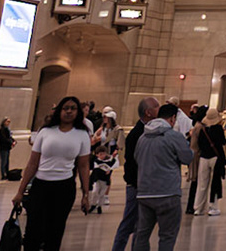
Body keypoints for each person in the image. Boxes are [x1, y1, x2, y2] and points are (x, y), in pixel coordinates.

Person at [15, 94, 93, 251]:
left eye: (73, 108)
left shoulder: (82, 134)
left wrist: (86, 194)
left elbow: (83, 166)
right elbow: (32, 163)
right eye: (65, 108)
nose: (69, 112)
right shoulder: (46, 132)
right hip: (40, 185)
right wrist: (20, 191)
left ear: (78, 112)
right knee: (32, 232)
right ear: (59, 111)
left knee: (55, 231)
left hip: (64, 187)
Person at [130, 102, 197, 251]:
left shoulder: (143, 137)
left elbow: (136, 158)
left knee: (142, 234)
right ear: (173, 118)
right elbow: (187, 158)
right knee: (167, 236)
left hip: (145, 193)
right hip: (167, 193)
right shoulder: (174, 136)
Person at [110, 99, 159, 251]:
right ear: (148, 112)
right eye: (157, 107)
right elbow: (132, 162)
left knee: (142, 225)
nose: (159, 111)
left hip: (145, 184)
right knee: (129, 222)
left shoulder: (150, 131)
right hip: (137, 185)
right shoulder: (137, 134)